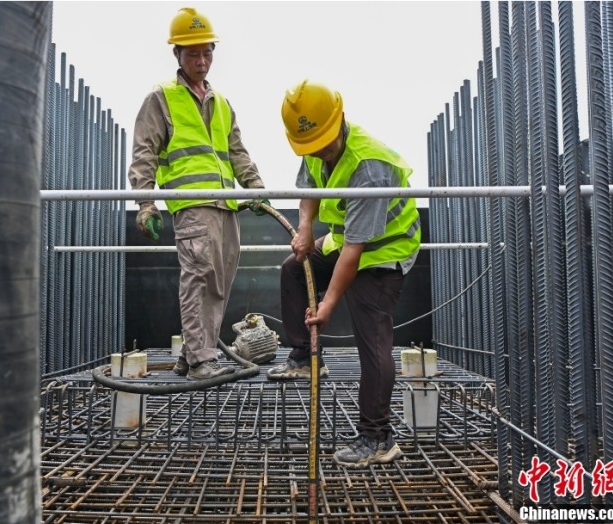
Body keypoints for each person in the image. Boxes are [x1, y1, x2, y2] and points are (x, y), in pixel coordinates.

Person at [268, 80, 421, 468]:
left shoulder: (369, 166)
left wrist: (328, 304)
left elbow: (354, 253)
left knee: (371, 336)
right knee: (292, 270)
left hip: (384, 250)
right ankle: (304, 356)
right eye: (310, 147)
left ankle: (378, 437)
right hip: (346, 241)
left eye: (324, 143)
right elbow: (310, 193)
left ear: (341, 120)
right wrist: (304, 227)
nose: (318, 151)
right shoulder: (315, 140)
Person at [128, 7, 270, 381]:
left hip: (226, 206)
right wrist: (145, 204)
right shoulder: (161, 98)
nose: (202, 61)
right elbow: (143, 153)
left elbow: (237, 152)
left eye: (207, 52)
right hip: (192, 206)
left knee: (219, 284)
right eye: (193, 53)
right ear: (177, 54)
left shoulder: (221, 102)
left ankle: (193, 353)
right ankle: (201, 360)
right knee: (200, 278)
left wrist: (256, 187)